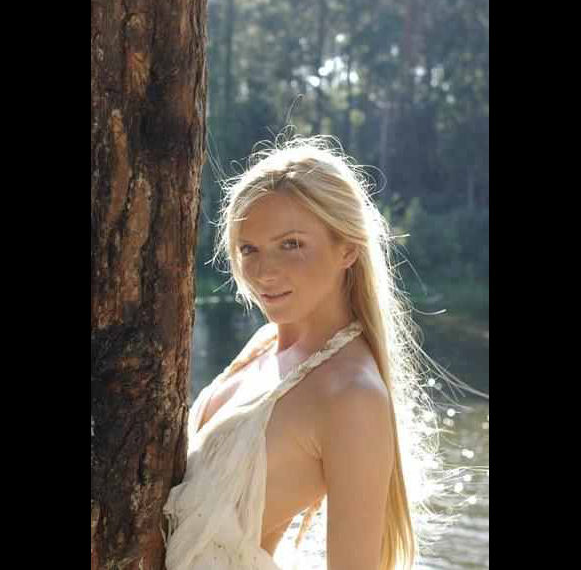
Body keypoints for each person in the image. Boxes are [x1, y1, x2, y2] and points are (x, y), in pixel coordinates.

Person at [162, 135, 451, 570]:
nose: (264, 271)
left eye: (291, 244)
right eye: (249, 249)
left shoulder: (351, 396)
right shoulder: (263, 346)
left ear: (347, 248)